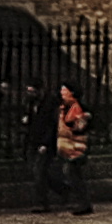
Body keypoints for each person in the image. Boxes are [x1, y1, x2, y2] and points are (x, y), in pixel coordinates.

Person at [21, 78, 65, 211]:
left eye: (33, 91)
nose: (30, 94)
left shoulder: (51, 102)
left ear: (40, 90)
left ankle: (43, 203)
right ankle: (63, 189)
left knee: (39, 171)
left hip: (45, 143)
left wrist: (45, 143)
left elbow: (53, 125)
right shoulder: (30, 102)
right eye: (28, 91)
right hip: (32, 140)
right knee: (36, 171)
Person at [52, 87, 94, 216]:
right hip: (67, 148)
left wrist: (79, 122)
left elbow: (79, 128)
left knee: (72, 174)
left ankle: (84, 204)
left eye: (64, 92)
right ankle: (82, 202)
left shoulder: (78, 109)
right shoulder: (64, 108)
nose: (61, 94)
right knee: (71, 175)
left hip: (76, 148)